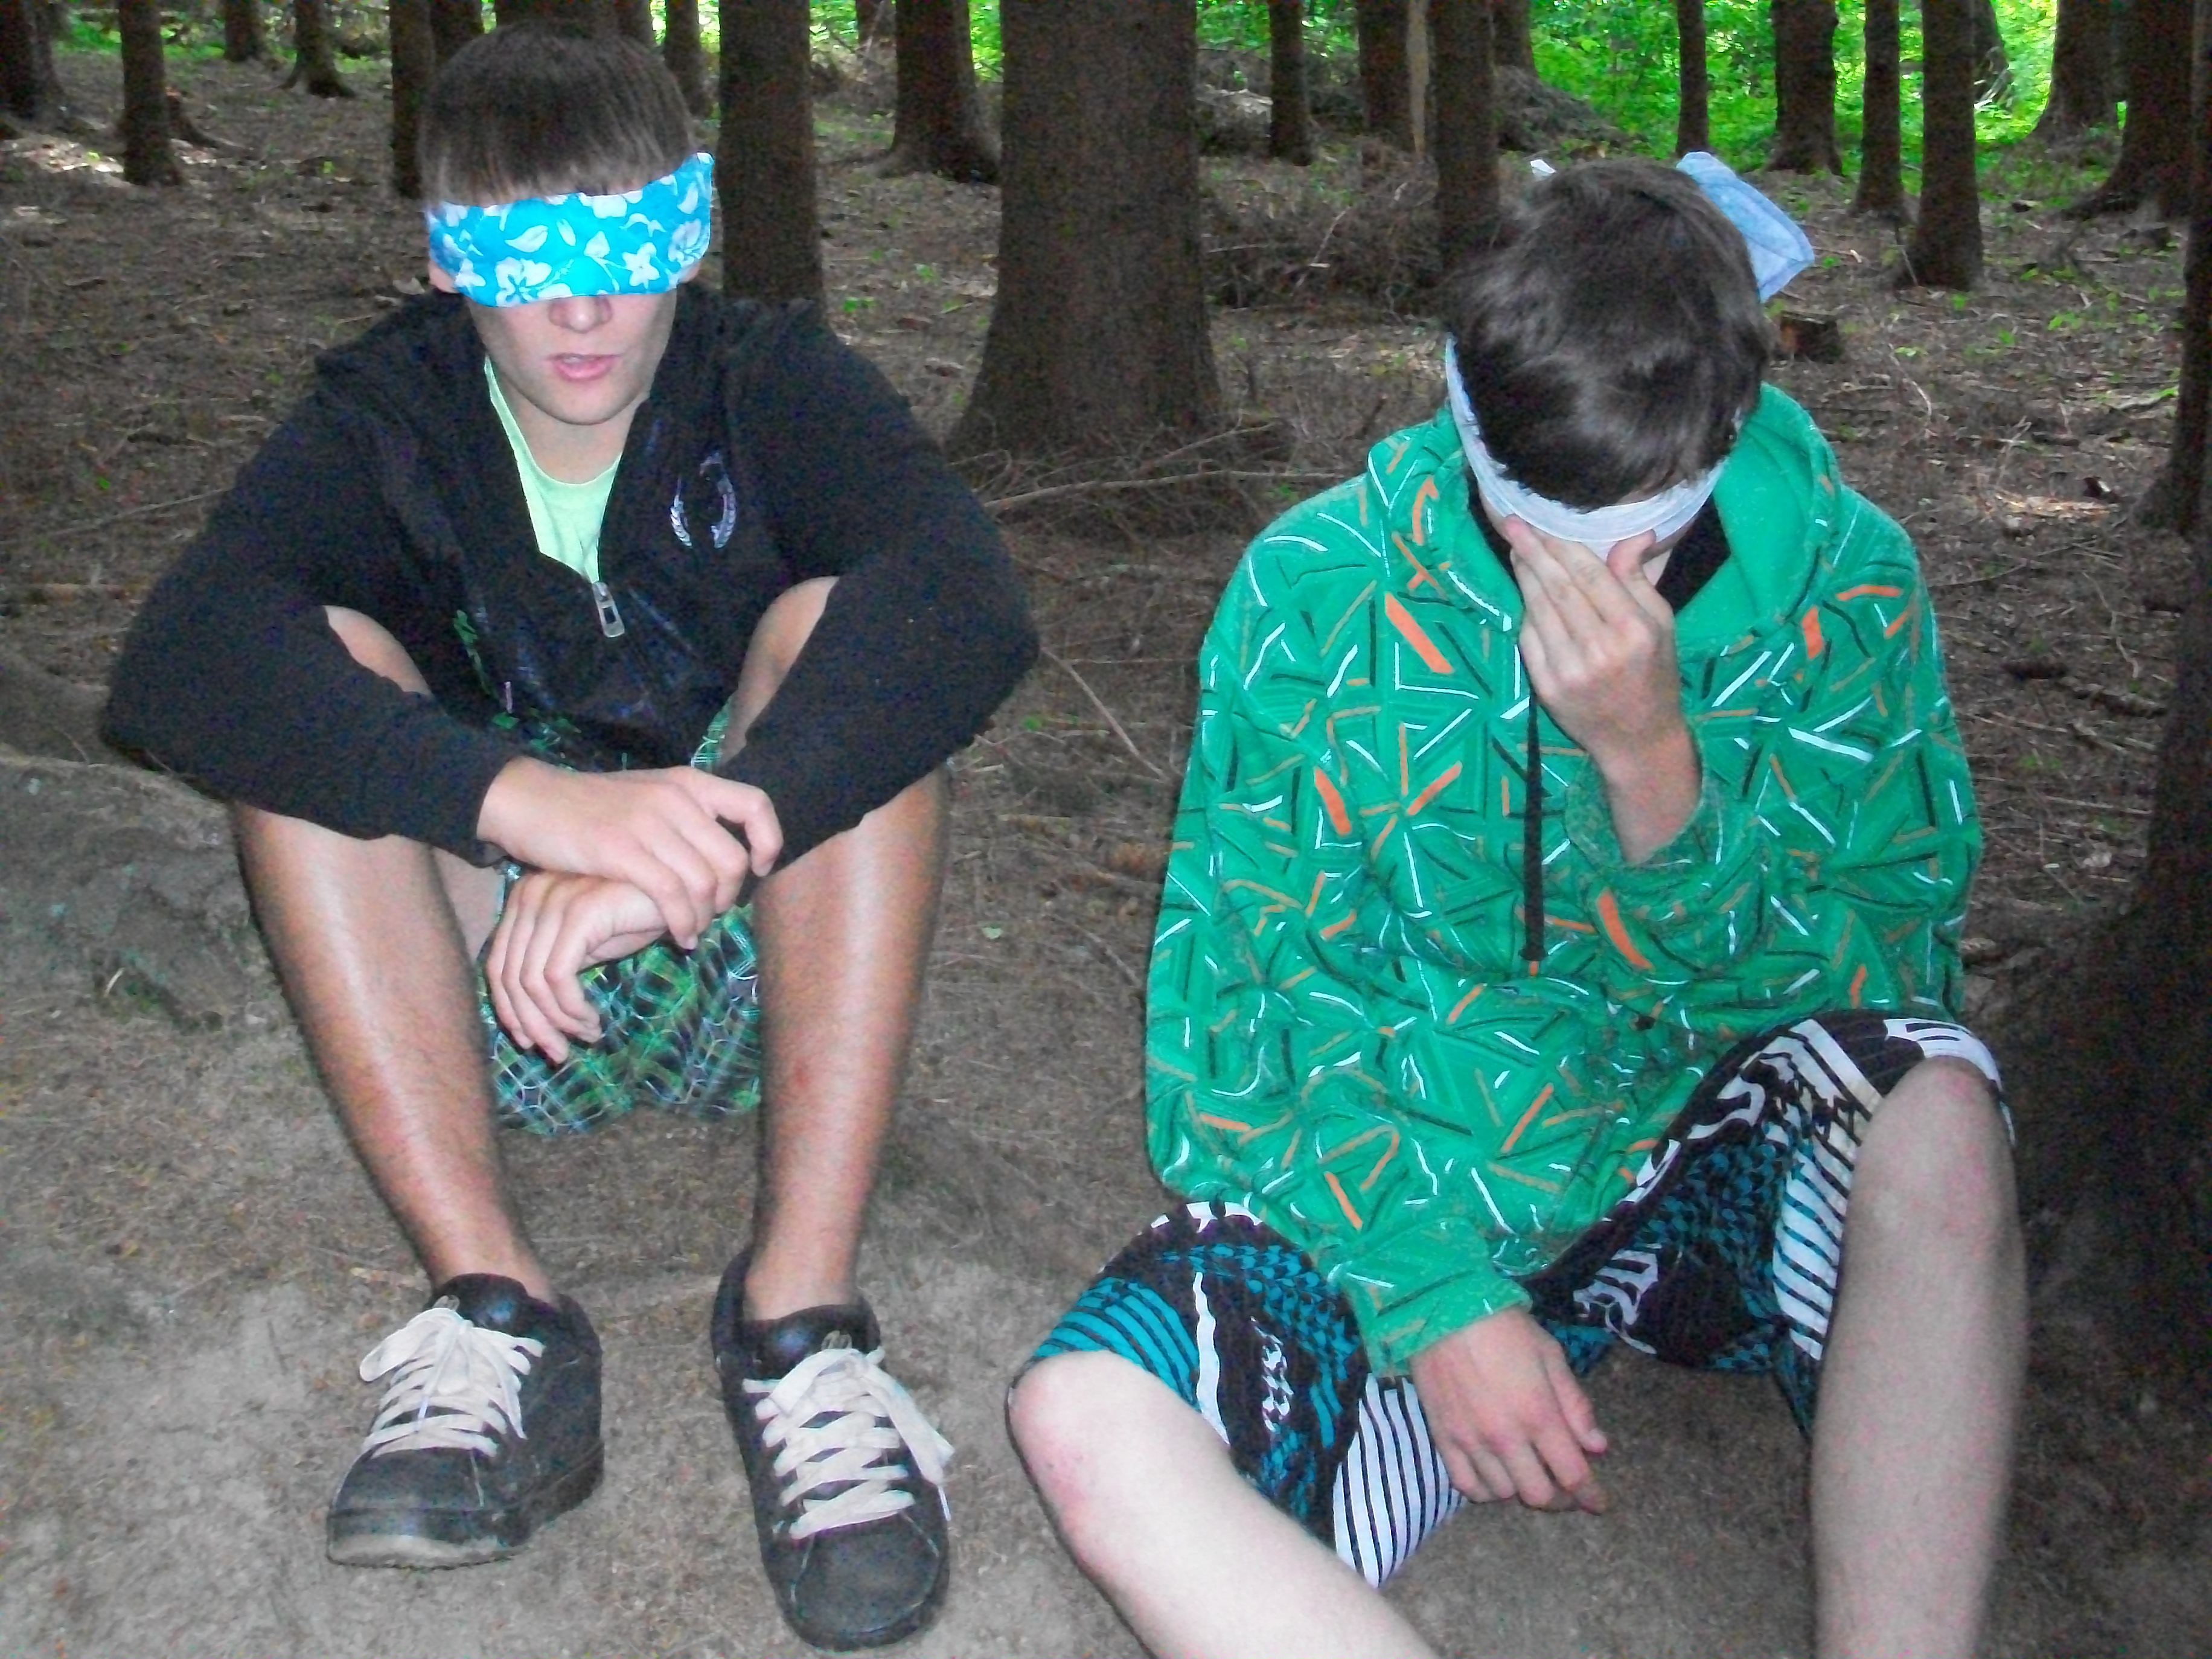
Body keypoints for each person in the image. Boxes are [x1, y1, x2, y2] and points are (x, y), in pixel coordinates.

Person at [1008, 158, 2024, 1659]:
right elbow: (1239, 1011)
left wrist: (1654, 774)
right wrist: (1432, 1300)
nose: (1587, 575)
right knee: (1085, 1417)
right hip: (1422, 1186)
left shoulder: (1846, 585)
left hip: (1712, 1174)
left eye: (1646, 527)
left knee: (1937, 1114)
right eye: (1529, 515)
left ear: (1732, 417)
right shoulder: (1317, 589)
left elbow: (1879, 975)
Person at [103, 24, 1033, 1652]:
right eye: (526, 260)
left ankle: (800, 1318)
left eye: (622, 246)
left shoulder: (772, 382)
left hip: (759, 962)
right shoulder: (388, 413)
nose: (583, 309)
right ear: (444, 258)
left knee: (843, 632)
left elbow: (968, 599)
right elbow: (181, 660)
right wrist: (535, 809)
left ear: (693, 228)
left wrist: (707, 833)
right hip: (492, 981)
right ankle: (498, 1306)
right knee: (305, 685)